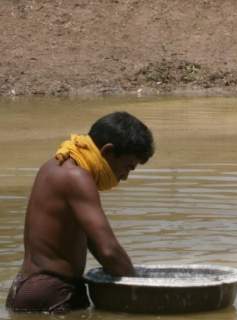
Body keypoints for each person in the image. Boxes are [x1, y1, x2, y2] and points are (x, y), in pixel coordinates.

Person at [5, 111, 154, 313]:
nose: (125, 176)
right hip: (53, 294)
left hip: (30, 289)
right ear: (108, 152)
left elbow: (94, 242)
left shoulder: (55, 166)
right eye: (127, 167)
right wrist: (144, 291)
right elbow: (108, 251)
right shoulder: (77, 177)